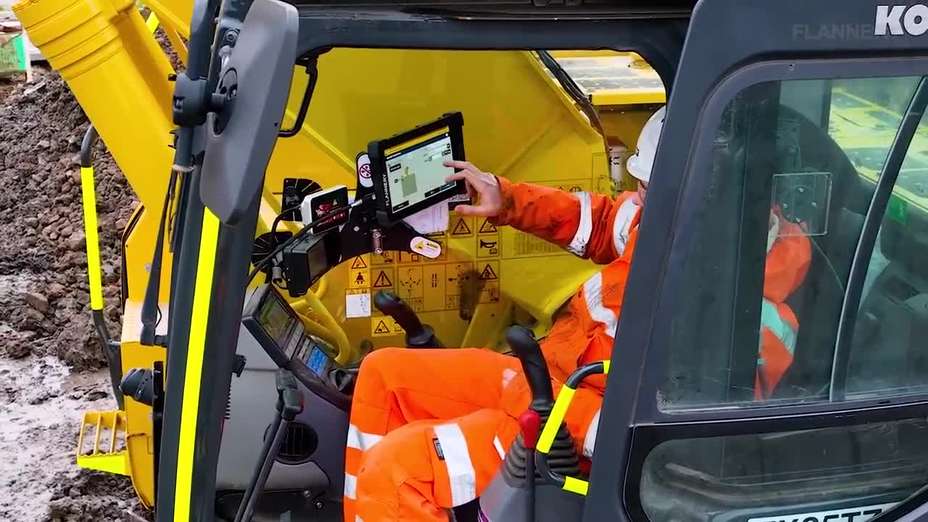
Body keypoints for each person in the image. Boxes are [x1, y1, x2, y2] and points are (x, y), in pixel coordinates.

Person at [343, 106, 809, 521]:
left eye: (649, 189)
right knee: (384, 373)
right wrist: (504, 198)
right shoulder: (677, 225)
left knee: (395, 472)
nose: (637, 198)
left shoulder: (747, 321)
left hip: (567, 440)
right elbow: (604, 220)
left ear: (706, 196)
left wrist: (545, 408)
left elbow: (663, 447)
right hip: (543, 383)